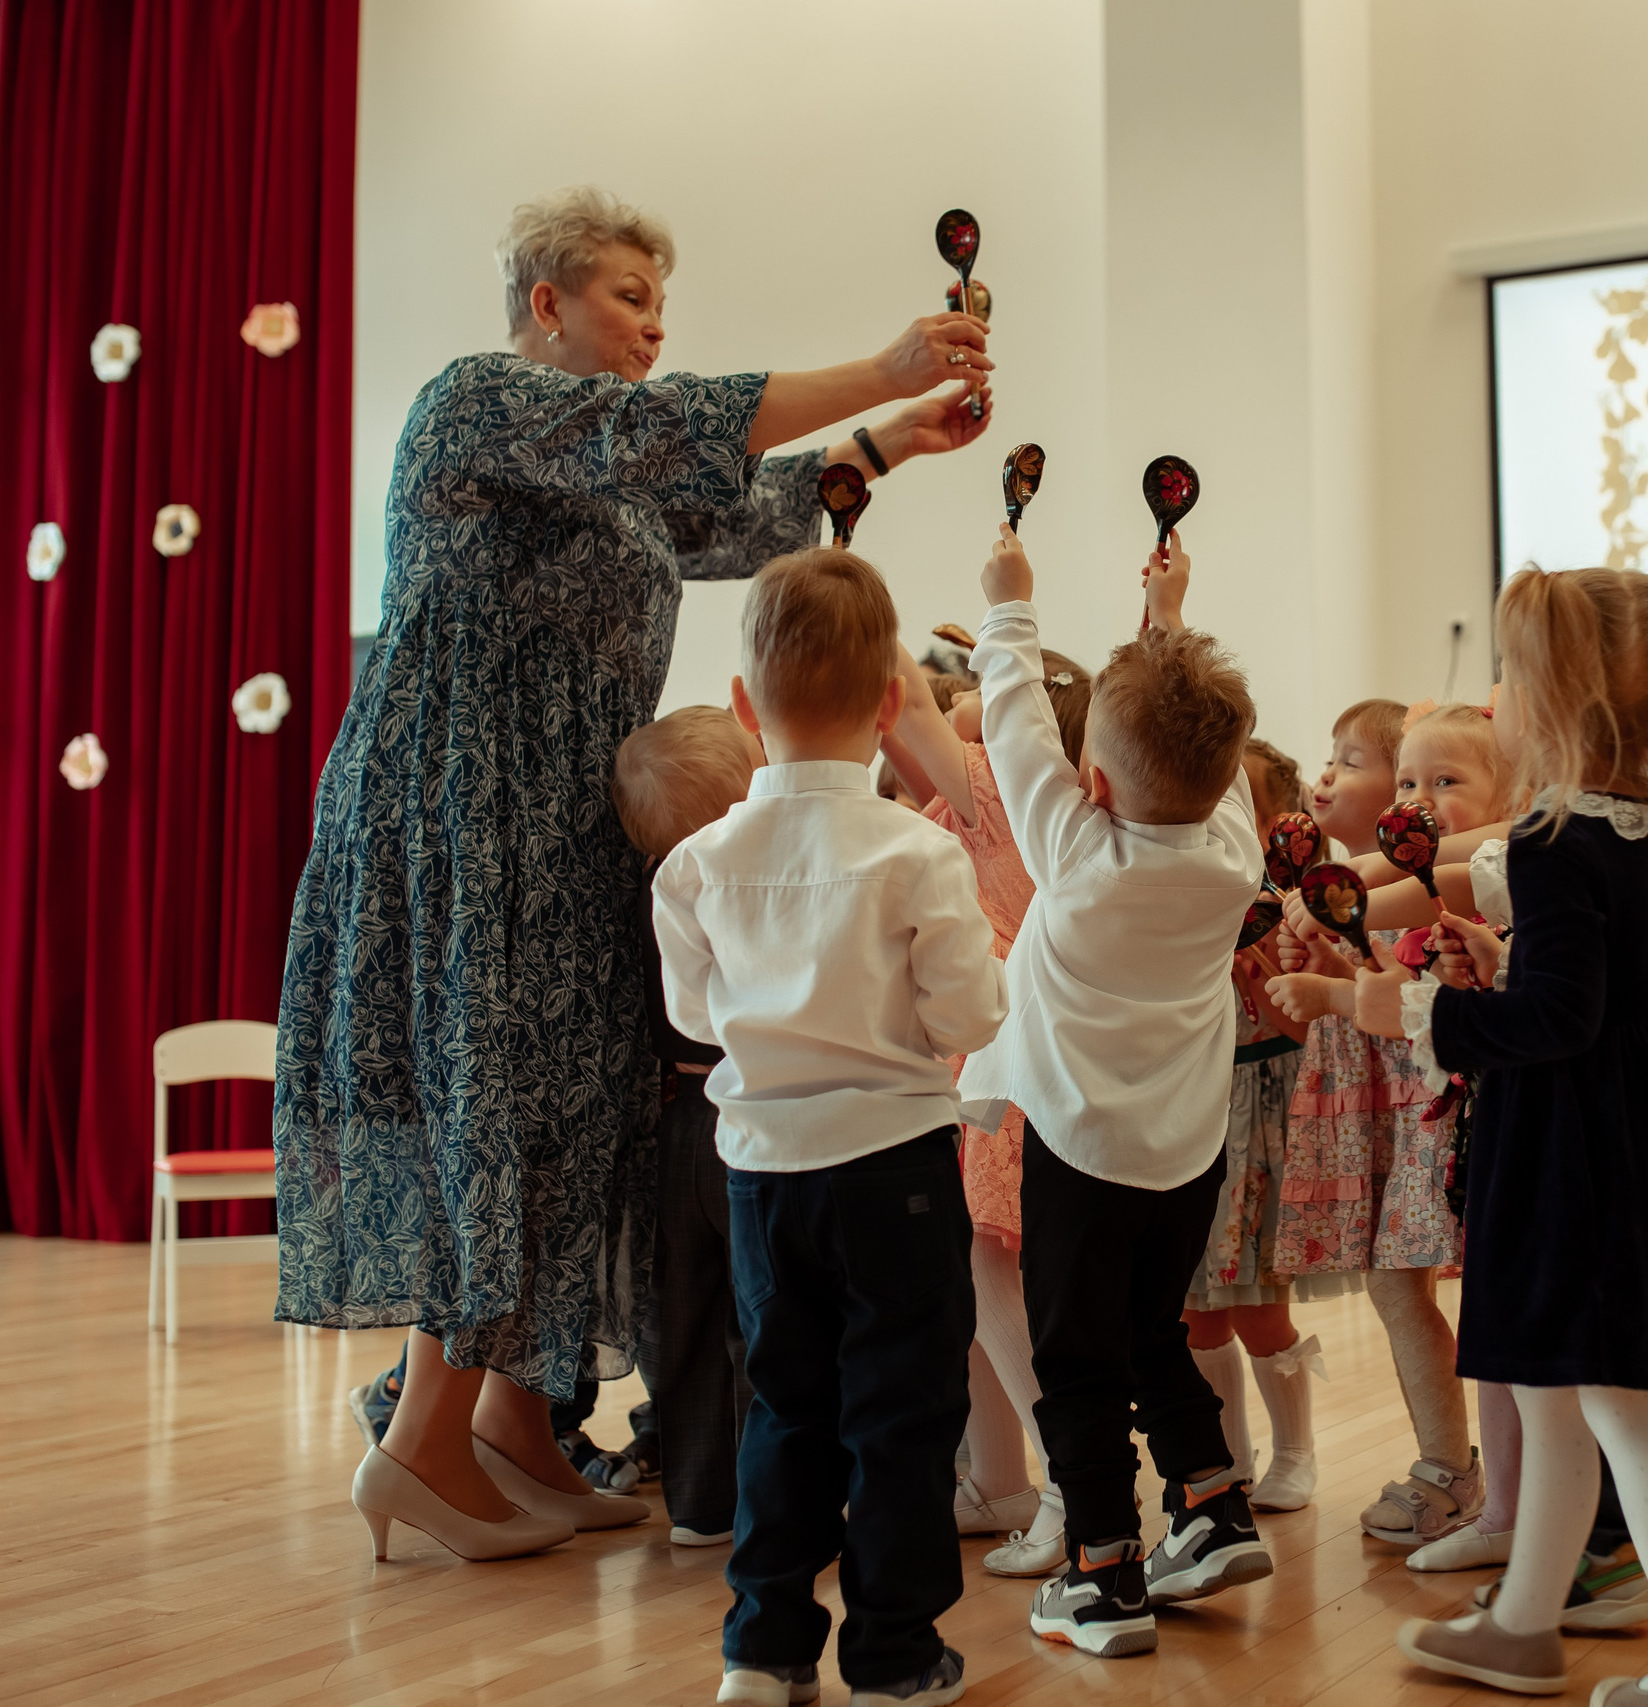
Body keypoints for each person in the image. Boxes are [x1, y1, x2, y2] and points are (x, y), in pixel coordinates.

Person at [279, 184, 995, 1563]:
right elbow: (665, 433)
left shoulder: (602, 475)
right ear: (544, 303)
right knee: (499, 1101)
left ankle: (514, 1422)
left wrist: (889, 440)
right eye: (627, 296)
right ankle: (420, 1438)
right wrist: (884, 369)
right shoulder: (480, 400)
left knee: (573, 1109)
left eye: (660, 303)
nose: (653, 324)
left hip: (567, 812)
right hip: (467, 805)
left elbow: (734, 513)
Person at [1366, 565, 1648, 1707]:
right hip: (1629, 1140)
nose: (1502, 699)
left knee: (1631, 1422)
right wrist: (1501, 967)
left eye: (1515, 679)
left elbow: (1556, 1023)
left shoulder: (1552, 844)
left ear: (1567, 704)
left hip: (1586, 1163)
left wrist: (1398, 1008)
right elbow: (1593, 999)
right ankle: (1522, 1625)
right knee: (1553, 1401)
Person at [653, 548, 1005, 1707]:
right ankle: (895, 1657)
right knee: (902, 1409)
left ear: (745, 709)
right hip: (894, 1167)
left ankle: (763, 1651)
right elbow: (968, 1012)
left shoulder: (697, 863)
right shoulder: (917, 851)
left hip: (759, 1174)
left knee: (787, 1404)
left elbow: (696, 1015)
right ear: (892, 705)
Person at [956, 527, 1269, 1658]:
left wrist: (1009, 605)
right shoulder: (1237, 856)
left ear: (1089, 784)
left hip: (1083, 1157)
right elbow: (1189, 751)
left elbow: (1013, 720)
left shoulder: (1074, 858)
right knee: (1148, 1331)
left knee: (1076, 1360)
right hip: (1186, 1154)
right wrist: (1170, 619)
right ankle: (1207, 1500)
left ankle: (1099, 1574)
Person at [878, 637, 1098, 1576]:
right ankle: (1004, 1481)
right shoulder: (1053, 812)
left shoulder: (1001, 794)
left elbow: (907, 715)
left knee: (991, 1276)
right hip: (1006, 1065)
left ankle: (1071, 1488)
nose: (961, 701)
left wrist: (850, 585)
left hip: (994, 1068)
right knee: (980, 1282)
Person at [1268, 699, 1481, 1548]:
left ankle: (1516, 1473)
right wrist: (1323, 963)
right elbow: (1346, 1004)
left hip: (1446, 1117)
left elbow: (1413, 1005)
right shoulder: (1352, 894)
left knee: (1492, 1300)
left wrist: (1331, 985)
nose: (1415, 801)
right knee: (1396, 1288)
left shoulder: (1459, 888)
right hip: (1394, 1120)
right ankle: (1451, 1465)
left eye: (1444, 781)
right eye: (1400, 780)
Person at [612, 705, 764, 1548]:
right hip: (747, 1113)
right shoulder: (744, 882)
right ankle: (760, 1492)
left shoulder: (649, 884)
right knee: (756, 1316)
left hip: (676, 1119)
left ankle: (698, 1503)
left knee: (686, 1315)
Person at [1183, 737, 1326, 1514]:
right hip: (1197, 1106)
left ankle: (1296, 1451)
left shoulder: (1291, 908)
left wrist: (1264, 982)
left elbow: (1306, 1029)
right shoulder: (1194, 891)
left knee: (1259, 1303)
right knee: (1197, 1308)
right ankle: (1226, 1460)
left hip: (1264, 1113)